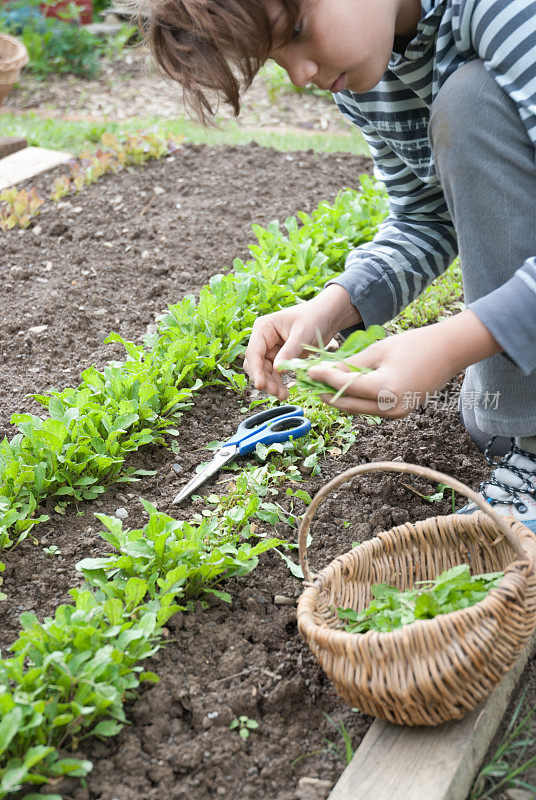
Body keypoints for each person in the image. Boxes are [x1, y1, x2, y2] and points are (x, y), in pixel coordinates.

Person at [140, 0, 536, 530]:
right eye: (279, 59)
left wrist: (455, 342)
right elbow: (425, 216)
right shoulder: (367, 71)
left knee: (470, 101)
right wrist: (332, 308)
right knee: (494, 411)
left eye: (299, 31)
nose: (301, 74)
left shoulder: (505, 12)